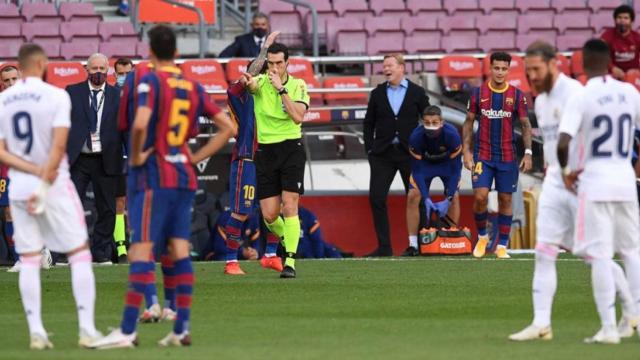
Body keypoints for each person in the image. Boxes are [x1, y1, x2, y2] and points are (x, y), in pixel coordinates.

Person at [90, 25, 235, 349]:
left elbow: (140, 122)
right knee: (179, 250)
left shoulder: (149, 81)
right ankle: (181, 328)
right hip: (183, 175)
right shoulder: (192, 85)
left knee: (141, 250)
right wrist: (194, 155)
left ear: (151, 52)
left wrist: (139, 153)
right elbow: (227, 126)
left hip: (152, 176)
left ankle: (127, 330)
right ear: (177, 53)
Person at [510, 41, 638, 341]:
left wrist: (574, 171)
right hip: (555, 178)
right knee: (544, 250)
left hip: (582, 181)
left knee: (594, 254)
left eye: (537, 69)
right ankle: (541, 323)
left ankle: (630, 312)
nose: (532, 76)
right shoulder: (541, 100)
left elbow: (582, 138)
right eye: (528, 71)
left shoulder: (577, 94)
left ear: (555, 63)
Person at [0, 43, 103, 350]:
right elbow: (59, 147)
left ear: (20, 65)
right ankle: (86, 329)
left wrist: (29, 170)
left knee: (29, 260)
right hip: (54, 184)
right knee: (79, 254)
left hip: (19, 185)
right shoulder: (56, 96)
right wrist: (44, 180)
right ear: (42, 63)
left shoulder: (4, 100)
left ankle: (37, 332)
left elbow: (2, 151)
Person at [556, 39, 640, 344]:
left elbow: (563, 142)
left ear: (582, 64)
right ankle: (638, 319)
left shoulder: (582, 95)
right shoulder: (630, 92)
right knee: (632, 252)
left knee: (601, 256)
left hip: (595, 183)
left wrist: (566, 173)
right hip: (626, 181)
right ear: (608, 61)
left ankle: (608, 328)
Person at [240, 42, 309, 278]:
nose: (276, 67)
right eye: (271, 63)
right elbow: (247, 84)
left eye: (280, 63)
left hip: (291, 148)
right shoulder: (260, 83)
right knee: (269, 215)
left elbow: (298, 117)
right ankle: (289, 238)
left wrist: (281, 89)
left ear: (287, 63)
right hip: (266, 151)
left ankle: (289, 260)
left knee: (290, 205)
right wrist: (248, 80)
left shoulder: (298, 85)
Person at [118, 61, 176, 323]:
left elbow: (126, 126)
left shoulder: (134, 94)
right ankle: (170, 306)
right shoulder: (178, 92)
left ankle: (152, 304)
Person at [463, 52, 533, 260]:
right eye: (496, 68)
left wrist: (528, 153)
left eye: (504, 68)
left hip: (507, 156)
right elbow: (468, 122)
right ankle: (483, 237)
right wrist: (466, 152)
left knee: (505, 199)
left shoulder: (517, 95)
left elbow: (526, 125)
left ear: (508, 70)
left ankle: (502, 245)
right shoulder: (478, 93)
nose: (500, 72)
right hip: (483, 154)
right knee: (480, 197)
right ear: (490, 69)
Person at [223, 31, 282, 275]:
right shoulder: (241, 92)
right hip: (247, 158)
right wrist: (264, 50)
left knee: (274, 210)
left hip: (270, 157)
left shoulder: (271, 92)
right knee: (241, 211)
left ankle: (270, 255)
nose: (268, 71)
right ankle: (230, 261)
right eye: (264, 67)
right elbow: (253, 71)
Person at [363, 53, 430, 257]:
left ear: (402, 67)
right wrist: (370, 149)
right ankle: (384, 247)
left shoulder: (417, 92)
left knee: (416, 198)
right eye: (384, 66)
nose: (386, 69)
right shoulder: (377, 93)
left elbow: (429, 119)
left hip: (409, 154)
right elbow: (368, 123)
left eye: (390, 65)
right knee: (376, 198)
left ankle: (420, 245)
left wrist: (425, 148)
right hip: (382, 154)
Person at [66, 53, 124, 264]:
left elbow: (124, 128)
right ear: (86, 70)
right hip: (78, 158)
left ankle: (100, 252)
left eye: (102, 68)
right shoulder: (72, 92)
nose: (98, 72)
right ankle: (72, 251)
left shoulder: (118, 95)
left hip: (106, 158)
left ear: (108, 70)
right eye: (94, 68)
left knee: (107, 208)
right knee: (70, 206)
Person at [404, 105, 462, 256]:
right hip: (424, 165)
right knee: (412, 196)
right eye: (427, 122)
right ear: (422, 122)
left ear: (442, 122)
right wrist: (426, 197)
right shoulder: (415, 137)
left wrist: (448, 198)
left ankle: (451, 239)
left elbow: (456, 169)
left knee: (454, 197)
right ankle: (413, 244)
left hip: (448, 165)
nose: (431, 126)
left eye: (435, 122)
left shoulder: (452, 135)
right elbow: (417, 171)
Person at [113, 57, 134, 262]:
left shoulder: (143, 97)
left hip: (139, 157)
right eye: (120, 74)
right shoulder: (110, 96)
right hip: (118, 157)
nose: (124, 77)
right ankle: (121, 248)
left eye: (127, 73)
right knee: (119, 202)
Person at [600, 4, 640, 80]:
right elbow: (600, 55)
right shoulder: (606, 36)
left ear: (631, 21)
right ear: (615, 20)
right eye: (619, 17)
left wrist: (637, 71)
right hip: (612, 75)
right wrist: (612, 68)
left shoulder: (637, 37)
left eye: (626, 18)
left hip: (633, 76)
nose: (622, 20)